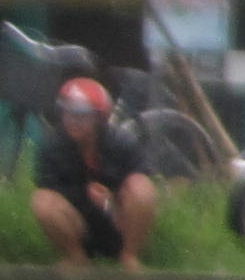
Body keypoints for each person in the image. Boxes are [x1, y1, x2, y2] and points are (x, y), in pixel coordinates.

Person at [31, 75, 155, 269]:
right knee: (42, 200)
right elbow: (49, 187)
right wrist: (85, 195)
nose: (73, 121)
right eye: (68, 113)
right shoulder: (51, 147)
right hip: (77, 223)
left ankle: (129, 257)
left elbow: (143, 181)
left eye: (81, 115)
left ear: (99, 118)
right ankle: (76, 258)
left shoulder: (123, 143)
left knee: (141, 186)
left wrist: (111, 200)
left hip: (117, 222)